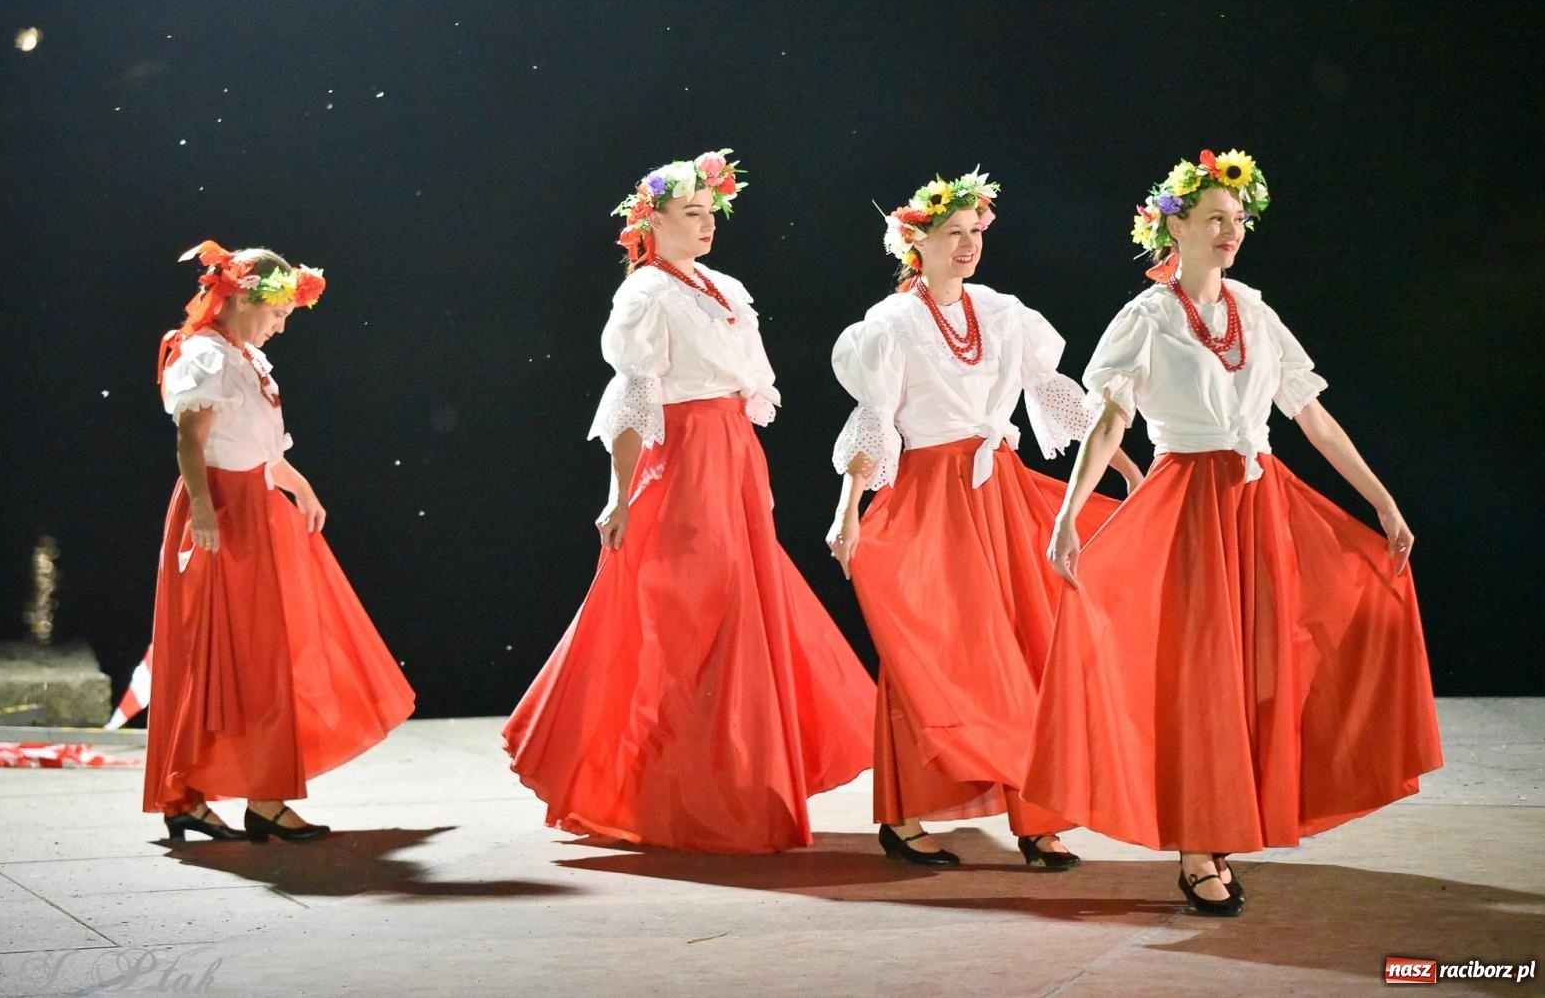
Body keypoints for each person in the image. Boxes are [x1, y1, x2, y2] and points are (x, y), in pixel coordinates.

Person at [1029, 149, 1443, 914]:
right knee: (1200, 678)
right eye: (1215, 219)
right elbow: (1110, 417)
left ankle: (1221, 830)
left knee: (1260, 672)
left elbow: (1310, 417)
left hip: (1259, 504)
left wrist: (1383, 502)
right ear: (1173, 227)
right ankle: (1196, 849)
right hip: (1187, 504)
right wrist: (1067, 514)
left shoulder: (1254, 310)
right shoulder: (1145, 318)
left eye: (1238, 220)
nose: (1231, 232)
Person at [503, 151, 874, 854]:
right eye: (690, 214)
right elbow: (634, 397)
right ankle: (678, 791)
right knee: (693, 618)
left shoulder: (724, 286)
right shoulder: (645, 294)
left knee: (745, 612)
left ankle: (739, 782)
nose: (705, 226)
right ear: (654, 221)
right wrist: (618, 495)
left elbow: (745, 384)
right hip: (683, 460)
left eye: (710, 214)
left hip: (732, 451)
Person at [827, 170, 1140, 868]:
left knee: (1034, 645)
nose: (968, 246)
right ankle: (904, 816)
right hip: (929, 497)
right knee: (932, 657)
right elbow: (874, 420)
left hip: (997, 491)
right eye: (953, 234)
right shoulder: (891, 326)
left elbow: (1052, 392)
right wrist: (848, 511)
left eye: (975, 233)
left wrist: (1119, 467)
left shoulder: (1001, 312)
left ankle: (1037, 816)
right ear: (918, 243)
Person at [145, 241, 415, 842]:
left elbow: (260, 448)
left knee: (259, 656)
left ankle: (241, 795)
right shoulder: (207, 355)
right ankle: (204, 794)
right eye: (277, 313)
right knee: (222, 656)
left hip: (255, 506)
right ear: (243, 298)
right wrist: (206, 511)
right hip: (222, 510)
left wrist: (299, 485)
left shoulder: (245, 357)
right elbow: (194, 444)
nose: (281, 326)